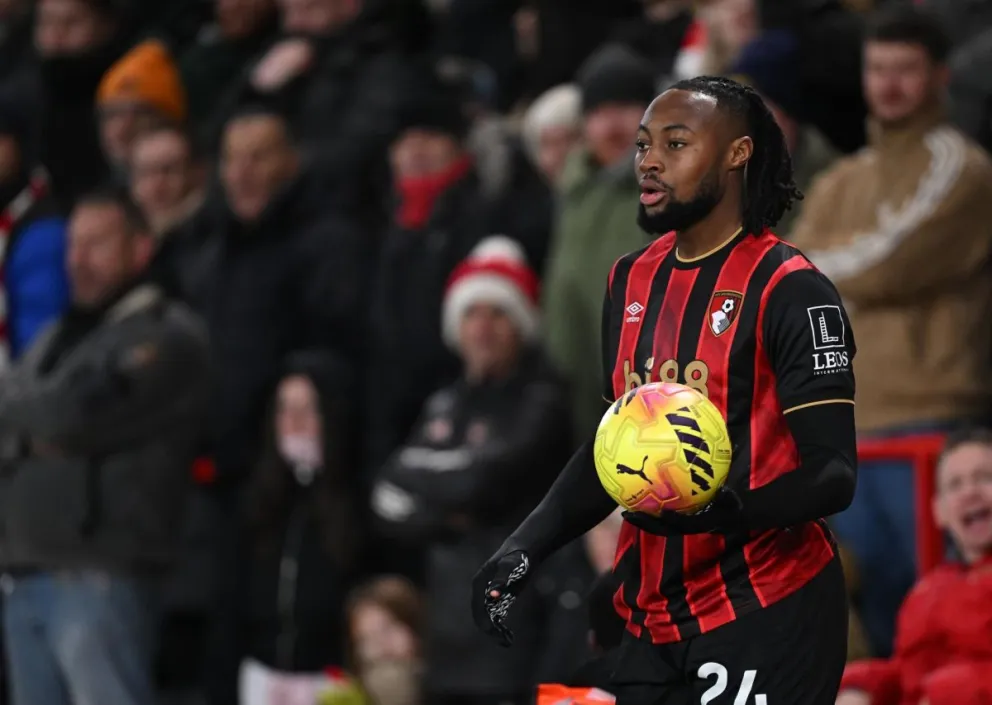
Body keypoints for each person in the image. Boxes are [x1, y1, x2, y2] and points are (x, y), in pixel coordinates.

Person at [472, 75, 858, 704]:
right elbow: (612, 447)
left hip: (766, 609)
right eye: (645, 145)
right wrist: (523, 547)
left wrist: (726, 512)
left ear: (737, 154)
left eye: (676, 144)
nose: (648, 160)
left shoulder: (794, 289)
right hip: (651, 611)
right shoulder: (629, 280)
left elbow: (834, 474)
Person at [836, 428, 992, 705]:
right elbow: (906, 672)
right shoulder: (927, 591)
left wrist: (944, 693)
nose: (970, 492)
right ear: (939, 511)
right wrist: (860, 687)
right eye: (955, 484)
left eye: (984, 478)